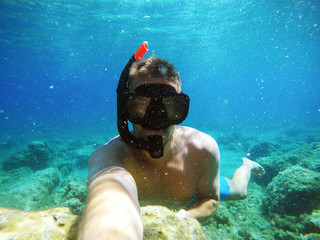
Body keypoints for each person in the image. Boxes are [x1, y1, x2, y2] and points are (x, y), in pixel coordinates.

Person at [77, 55, 265, 240]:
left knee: (240, 191)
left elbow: (210, 199)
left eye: (169, 107)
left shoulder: (202, 149)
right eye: (141, 106)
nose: (155, 120)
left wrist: (182, 219)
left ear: (181, 109)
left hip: (194, 191)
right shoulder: (111, 155)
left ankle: (247, 165)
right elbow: (108, 186)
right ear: (126, 109)